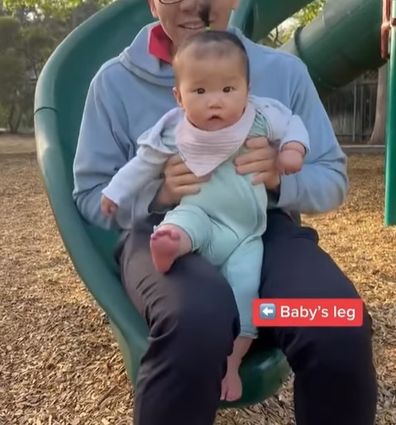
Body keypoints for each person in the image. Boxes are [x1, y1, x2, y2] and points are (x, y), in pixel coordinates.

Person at [72, 1, 378, 424]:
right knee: (197, 317)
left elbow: (331, 180)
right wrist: (158, 193)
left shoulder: (283, 74)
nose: (192, 3)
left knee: (334, 321)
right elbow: (91, 197)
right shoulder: (114, 83)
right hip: (165, 232)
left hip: (260, 232)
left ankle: (259, 320)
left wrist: (278, 177)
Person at [100, 28, 310, 402]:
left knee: (247, 294)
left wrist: (290, 151)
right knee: (182, 224)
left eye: (228, 90)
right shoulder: (172, 131)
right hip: (199, 213)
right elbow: (141, 164)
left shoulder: (262, 116)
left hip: (247, 234)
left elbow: (295, 124)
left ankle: (231, 365)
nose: (215, 102)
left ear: (247, 89)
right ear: (178, 96)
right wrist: (114, 192)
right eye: (200, 92)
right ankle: (171, 246)